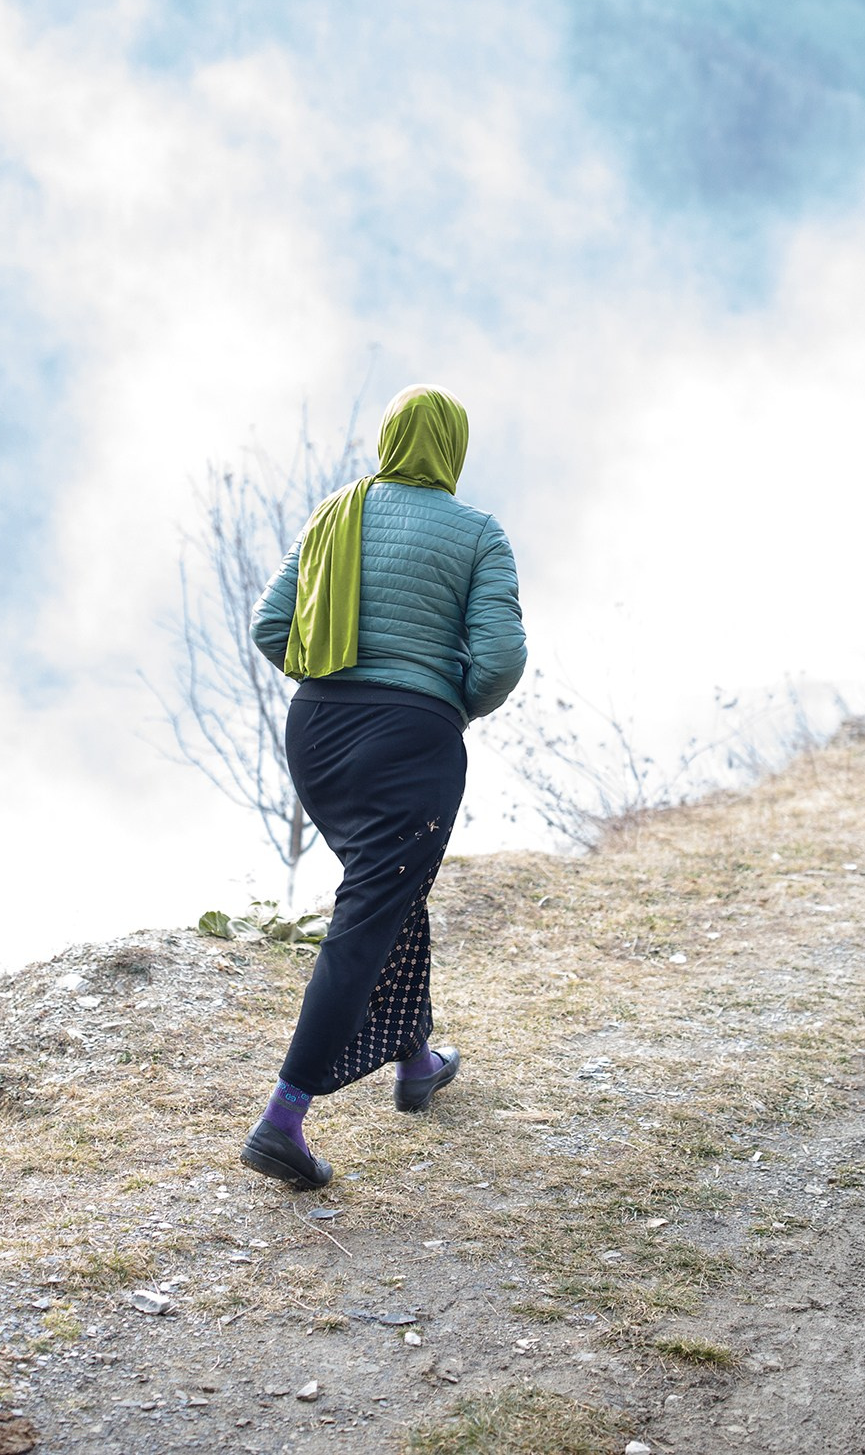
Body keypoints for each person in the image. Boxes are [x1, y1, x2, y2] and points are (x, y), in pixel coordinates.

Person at [240, 384, 526, 1189]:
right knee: (370, 910)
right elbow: (500, 657)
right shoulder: (477, 533)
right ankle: (282, 1118)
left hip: (319, 735)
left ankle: (417, 1060)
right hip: (410, 742)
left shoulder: (336, 511)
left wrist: (340, 680)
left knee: (391, 886)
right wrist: (440, 703)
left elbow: (271, 624)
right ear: (453, 449)